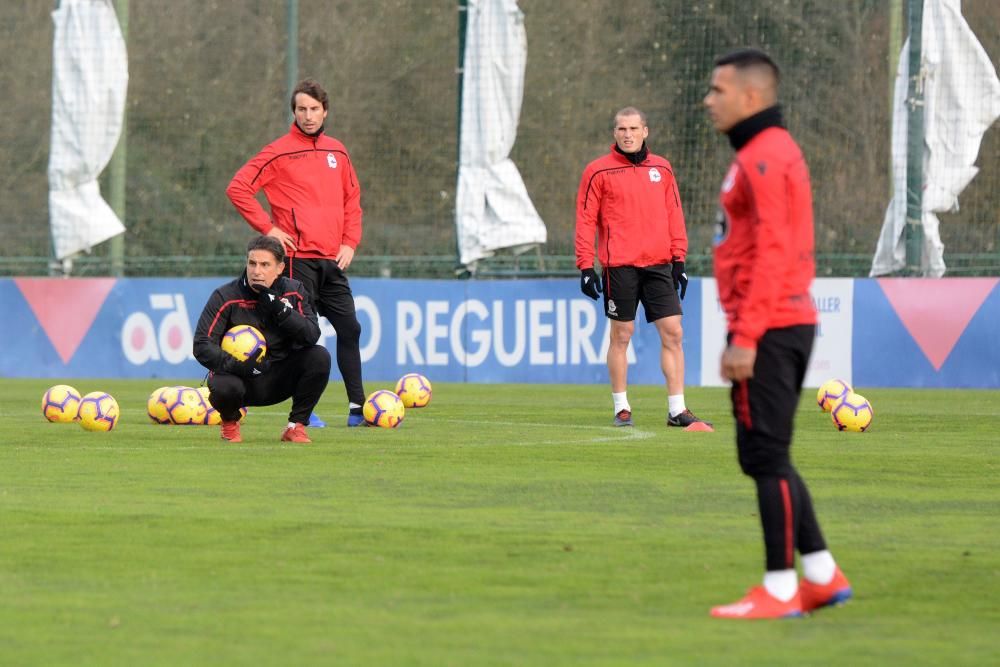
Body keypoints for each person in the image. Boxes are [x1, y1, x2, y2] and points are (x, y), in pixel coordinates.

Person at [704, 48, 852, 619]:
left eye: (718, 90)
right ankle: (820, 573)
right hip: (780, 322)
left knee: (765, 456)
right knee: (769, 454)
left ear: (751, 96)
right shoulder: (763, 150)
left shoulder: (765, 153)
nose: (709, 100)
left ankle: (781, 587)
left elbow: (772, 250)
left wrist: (744, 335)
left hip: (771, 326)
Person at [226, 78, 366, 427]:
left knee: (350, 329)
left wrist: (350, 241)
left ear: (325, 111)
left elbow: (352, 200)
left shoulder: (338, 151)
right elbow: (238, 187)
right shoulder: (278, 151)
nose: (308, 115)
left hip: (332, 259)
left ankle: (358, 409)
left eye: (314, 109)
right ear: (294, 111)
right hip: (295, 258)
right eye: (301, 109)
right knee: (302, 334)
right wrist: (268, 228)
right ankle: (305, 410)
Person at [574, 107, 708, 429]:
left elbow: (674, 213)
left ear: (645, 131)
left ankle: (677, 410)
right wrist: (585, 265)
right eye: (622, 129)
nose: (628, 134)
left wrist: (679, 259)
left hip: (659, 264)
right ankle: (622, 407)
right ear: (614, 133)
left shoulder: (662, 168)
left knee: (673, 332)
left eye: (634, 128)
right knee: (622, 334)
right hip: (619, 265)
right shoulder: (598, 171)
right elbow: (585, 219)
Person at [193, 235, 332, 444]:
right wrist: (238, 366)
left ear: (279, 268)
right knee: (222, 385)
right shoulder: (225, 296)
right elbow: (202, 344)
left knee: (319, 357)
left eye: (265, 264)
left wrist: (280, 309)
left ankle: (296, 427)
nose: (256, 271)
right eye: (252, 263)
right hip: (239, 379)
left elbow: (311, 335)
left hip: (279, 379)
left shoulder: (295, 291)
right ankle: (230, 424)